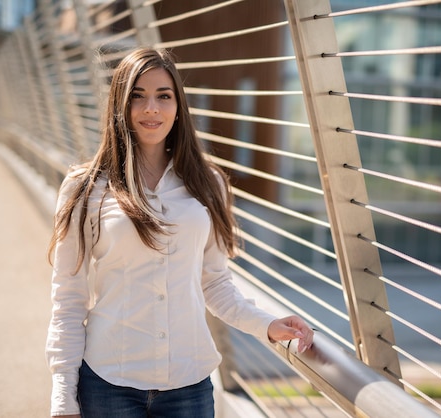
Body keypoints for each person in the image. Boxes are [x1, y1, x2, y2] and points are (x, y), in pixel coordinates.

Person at [45, 47, 314, 418]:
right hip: (108, 383)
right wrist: (63, 394)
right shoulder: (86, 187)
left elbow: (215, 283)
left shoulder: (209, 183)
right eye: (137, 97)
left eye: (163, 96)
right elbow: (68, 298)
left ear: (178, 106)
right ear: (119, 106)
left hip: (189, 386)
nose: (151, 109)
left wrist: (267, 324)